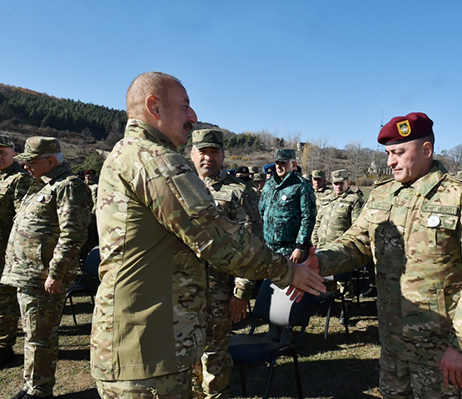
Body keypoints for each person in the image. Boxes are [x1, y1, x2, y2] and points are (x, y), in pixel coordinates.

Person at [91, 72, 324, 398]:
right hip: (148, 347)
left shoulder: (127, 154)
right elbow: (217, 237)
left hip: (145, 339)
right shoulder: (154, 160)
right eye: (184, 106)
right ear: (154, 107)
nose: (193, 117)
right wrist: (287, 272)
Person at [304, 112, 462, 398]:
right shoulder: (382, 194)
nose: (390, 161)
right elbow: (358, 242)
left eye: (398, 152)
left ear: (426, 150)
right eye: (388, 153)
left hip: (438, 349)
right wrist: (321, 260)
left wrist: (460, 346)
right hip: (392, 343)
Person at [2, 137, 92, 399]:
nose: (26, 166)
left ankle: (39, 390)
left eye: (31, 161)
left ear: (50, 160)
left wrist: (56, 274)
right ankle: (31, 386)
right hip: (28, 275)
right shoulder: (41, 186)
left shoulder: (68, 187)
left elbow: (73, 235)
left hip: (43, 278)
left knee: (41, 337)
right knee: (32, 336)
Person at [189, 128, 262, 399]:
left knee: (214, 356)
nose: (208, 158)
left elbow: (252, 246)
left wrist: (241, 293)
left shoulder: (238, 191)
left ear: (222, 155)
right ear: (192, 154)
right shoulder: (182, 186)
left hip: (218, 289)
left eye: (214, 152)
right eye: (203, 152)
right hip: (182, 288)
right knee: (186, 352)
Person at [260, 148, 317, 342]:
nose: (279, 166)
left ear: (293, 164)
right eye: (277, 163)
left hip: (290, 249)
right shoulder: (268, 186)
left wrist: (300, 246)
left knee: (290, 289)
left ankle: (287, 329)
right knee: (273, 287)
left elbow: (308, 218)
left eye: (284, 163)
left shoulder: (301, 186)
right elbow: (262, 212)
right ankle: (272, 327)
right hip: (270, 248)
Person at [311, 168, 365, 323]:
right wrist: (315, 241)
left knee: (344, 281)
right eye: (335, 183)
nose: (338, 186)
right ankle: (327, 306)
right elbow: (318, 222)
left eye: (341, 183)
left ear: (347, 182)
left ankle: (346, 308)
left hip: (341, 250)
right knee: (324, 279)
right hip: (322, 247)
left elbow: (357, 227)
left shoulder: (354, 200)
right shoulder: (327, 199)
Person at [0, 135, 32, 369]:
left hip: (5, 251)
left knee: (4, 301)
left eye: (4, 152)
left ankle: (4, 347)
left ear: (13, 154)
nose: (0, 156)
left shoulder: (19, 179)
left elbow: (23, 219)